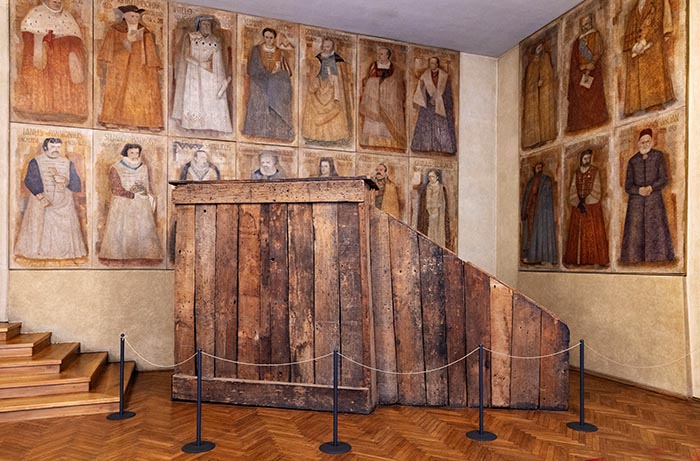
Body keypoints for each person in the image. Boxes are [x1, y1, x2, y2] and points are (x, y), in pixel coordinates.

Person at [14, 0, 88, 122]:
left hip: (63, 60)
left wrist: (68, 47)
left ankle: (64, 109)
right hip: (43, 57)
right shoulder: (35, 14)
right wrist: (42, 39)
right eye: (54, 0)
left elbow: (77, 42)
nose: (58, 2)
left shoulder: (68, 17)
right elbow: (28, 38)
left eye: (60, 0)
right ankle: (40, 107)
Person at [15, 138, 87, 260]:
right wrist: (40, 197)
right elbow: (30, 180)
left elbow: (76, 185)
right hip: (41, 201)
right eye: (52, 147)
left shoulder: (67, 163)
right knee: (39, 226)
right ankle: (37, 253)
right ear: (45, 148)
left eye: (58, 147)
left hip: (64, 203)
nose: (55, 150)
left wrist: (66, 181)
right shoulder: (36, 162)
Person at [97, 5, 163, 131]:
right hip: (120, 66)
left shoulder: (145, 31)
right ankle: (112, 120)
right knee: (117, 90)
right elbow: (109, 48)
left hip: (139, 68)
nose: (135, 19)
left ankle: (142, 121)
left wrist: (151, 65)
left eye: (137, 16)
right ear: (125, 16)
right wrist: (127, 41)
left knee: (140, 92)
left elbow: (150, 51)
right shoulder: (115, 29)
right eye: (132, 16)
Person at [99, 144, 162, 261]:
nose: (134, 156)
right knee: (122, 229)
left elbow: (146, 186)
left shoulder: (143, 167)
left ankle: (142, 254)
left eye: (137, 153)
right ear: (126, 153)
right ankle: (119, 255)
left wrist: (143, 192)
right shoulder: (116, 167)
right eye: (132, 153)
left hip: (140, 203)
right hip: (123, 203)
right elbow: (115, 188)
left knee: (142, 229)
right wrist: (131, 194)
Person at [620, 128, 674, 263]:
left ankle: (658, 257)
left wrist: (651, 187)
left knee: (656, 229)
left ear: (652, 141)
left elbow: (663, 179)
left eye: (647, 141)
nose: (645, 144)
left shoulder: (658, 156)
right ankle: (634, 258)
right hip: (636, 203)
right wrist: (638, 191)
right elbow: (628, 186)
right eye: (642, 142)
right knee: (635, 232)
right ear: (638, 143)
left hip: (654, 201)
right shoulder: (633, 161)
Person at [172, 15, 232, 133]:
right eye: (204, 24)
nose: (206, 27)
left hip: (211, 75)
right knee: (196, 97)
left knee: (211, 98)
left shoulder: (215, 40)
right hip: (194, 73)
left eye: (208, 25)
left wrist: (221, 77)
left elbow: (218, 60)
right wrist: (200, 64)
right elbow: (186, 56)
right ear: (199, 25)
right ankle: (193, 124)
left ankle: (212, 125)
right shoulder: (191, 37)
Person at [622, 0, 674, 116]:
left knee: (653, 73)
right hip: (638, 48)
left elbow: (657, 22)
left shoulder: (657, 2)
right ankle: (636, 105)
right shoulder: (636, 8)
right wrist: (633, 45)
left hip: (653, 44)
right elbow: (633, 27)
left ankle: (654, 103)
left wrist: (645, 41)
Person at [242, 27, 293, 141]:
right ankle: (258, 130)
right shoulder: (256, 50)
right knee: (258, 96)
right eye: (266, 37)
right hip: (259, 79)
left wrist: (277, 70)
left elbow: (287, 71)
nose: (268, 40)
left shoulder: (280, 52)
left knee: (281, 88)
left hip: (274, 80)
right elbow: (252, 69)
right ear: (263, 37)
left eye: (271, 38)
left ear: (274, 38)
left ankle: (277, 130)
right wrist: (265, 74)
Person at [563, 149, 609, 266]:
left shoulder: (595, 171)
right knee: (577, 234)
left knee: (592, 233)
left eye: (589, 158)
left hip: (591, 208)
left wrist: (587, 201)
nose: (587, 160)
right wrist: (578, 202)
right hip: (578, 207)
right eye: (585, 158)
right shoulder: (577, 173)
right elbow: (573, 189)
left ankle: (594, 260)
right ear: (581, 159)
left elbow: (597, 188)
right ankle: (577, 260)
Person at [302, 38, 351, 144]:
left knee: (334, 108)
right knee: (314, 106)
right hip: (319, 86)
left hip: (332, 88)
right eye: (324, 46)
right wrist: (315, 79)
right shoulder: (317, 59)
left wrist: (333, 76)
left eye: (328, 46)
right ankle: (315, 136)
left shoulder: (337, 60)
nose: (325, 48)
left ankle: (336, 137)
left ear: (332, 47)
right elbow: (313, 72)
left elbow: (341, 78)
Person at [567, 14, 608, 132]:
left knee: (595, 96)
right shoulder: (577, 41)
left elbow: (598, 51)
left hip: (593, 72)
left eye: (587, 24)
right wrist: (582, 68)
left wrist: (592, 63)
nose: (585, 27)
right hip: (580, 73)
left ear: (591, 22)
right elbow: (574, 59)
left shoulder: (596, 35)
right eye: (583, 25)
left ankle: (596, 119)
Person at [359, 46, 406, 149]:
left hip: (390, 98)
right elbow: (370, 80)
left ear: (387, 55)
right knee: (374, 124)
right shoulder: (374, 65)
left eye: (381, 54)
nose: (379, 56)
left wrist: (388, 86)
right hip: (375, 96)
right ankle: (373, 141)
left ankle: (390, 140)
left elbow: (397, 83)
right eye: (379, 54)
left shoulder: (394, 68)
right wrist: (378, 83)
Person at [410, 57, 457, 154]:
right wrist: (426, 98)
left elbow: (447, 92)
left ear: (437, 64)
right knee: (426, 125)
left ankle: (444, 148)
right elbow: (421, 88)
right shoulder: (425, 76)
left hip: (440, 105)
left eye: (434, 63)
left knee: (441, 125)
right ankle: (424, 146)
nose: (433, 65)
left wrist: (441, 99)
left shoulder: (444, 76)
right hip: (428, 105)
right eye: (431, 63)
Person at [521, 42, 557, 149]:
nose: (540, 49)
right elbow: (529, 80)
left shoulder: (545, 57)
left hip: (545, 92)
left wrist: (544, 81)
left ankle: (547, 136)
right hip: (535, 95)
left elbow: (549, 73)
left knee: (546, 112)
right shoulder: (532, 64)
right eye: (538, 47)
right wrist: (535, 84)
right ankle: (534, 139)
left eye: (541, 47)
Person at [520, 161, 557, 264]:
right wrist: (525, 210)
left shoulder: (546, 180)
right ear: (534, 169)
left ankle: (541, 257)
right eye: (537, 168)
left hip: (541, 213)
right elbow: (527, 197)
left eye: (540, 167)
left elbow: (546, 196)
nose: (539, 169)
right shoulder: (530, 182)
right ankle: (530, 255)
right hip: (531, 212)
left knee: (540, 233)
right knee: (530, 235)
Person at [417, 169, 450, 248]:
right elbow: (423, 204)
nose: (431, 178)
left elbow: (444, 204)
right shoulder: (425, 189)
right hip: (428, 215)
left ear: (437, 177)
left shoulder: (442, 188)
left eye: (433, 176)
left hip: (438, 215)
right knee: (429, 233)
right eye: (429, 177)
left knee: (438, 233)